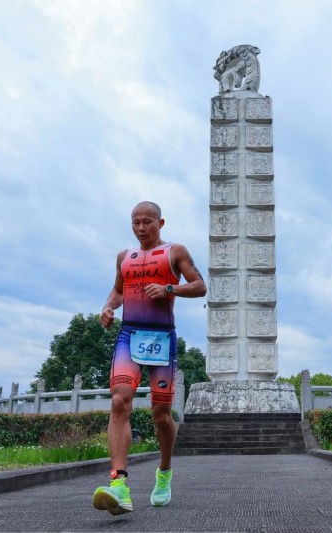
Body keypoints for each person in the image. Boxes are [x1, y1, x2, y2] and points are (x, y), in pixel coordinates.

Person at [92, 201, 206, 516]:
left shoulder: (175, 252)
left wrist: (169, 288)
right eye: (135, 223)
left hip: (161, 337)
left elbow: (200, 286)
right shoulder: (124, 257)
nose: (141, 228)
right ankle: (119, 483)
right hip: (129, 334)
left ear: (161, 223)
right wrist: (108, 307)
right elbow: (118, 290)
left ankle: (164, 471)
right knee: (119, 401)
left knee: (161, 414)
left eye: (147, 222)